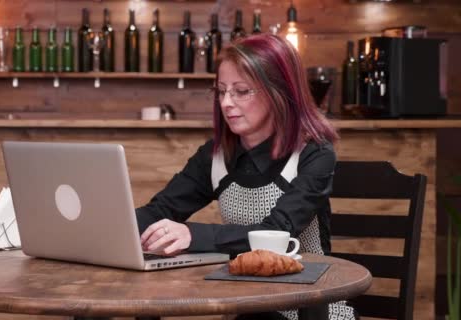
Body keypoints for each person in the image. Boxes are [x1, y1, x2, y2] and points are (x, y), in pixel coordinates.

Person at [135, 34, 355, 320]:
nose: (226, 103)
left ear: (279, 92)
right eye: (221, 91)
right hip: (247, 304)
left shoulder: (315, 154)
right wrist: (112, 228)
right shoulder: (214, 156)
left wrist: (191, 234)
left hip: (311, 307)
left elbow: (279, 230)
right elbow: (160, 211)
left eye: (241, 91)